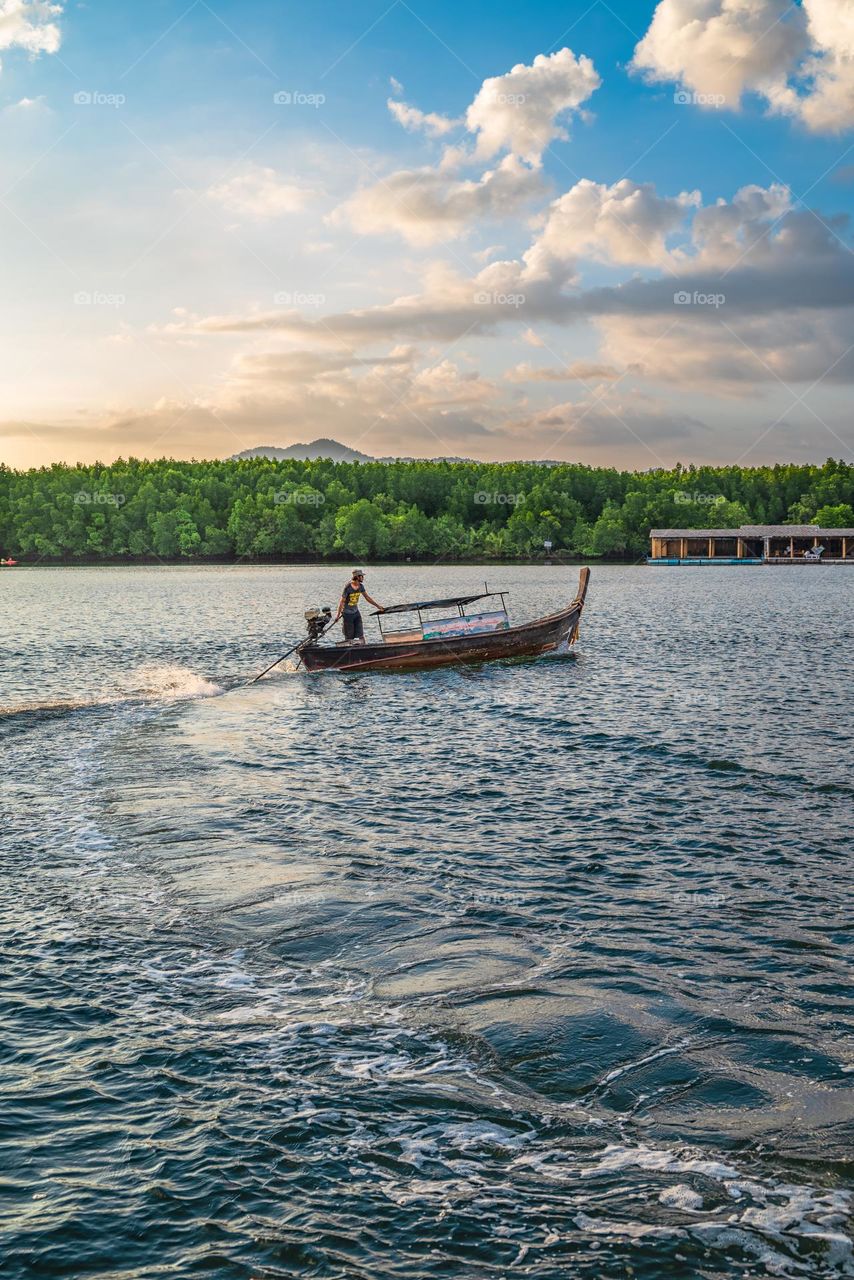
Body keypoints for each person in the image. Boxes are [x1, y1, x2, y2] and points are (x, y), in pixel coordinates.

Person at [335, 569, 384, 644]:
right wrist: (337, 615)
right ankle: (349, 650)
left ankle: (364, 646)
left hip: (356, 612)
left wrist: (378, 606)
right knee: (349, 636)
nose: (363, 578)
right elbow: (341, 601)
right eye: (362, 576)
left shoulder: (361, 586)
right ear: (357, 577)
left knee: (360, 633)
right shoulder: (348, 587)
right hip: (347, 614)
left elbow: (367, 597)